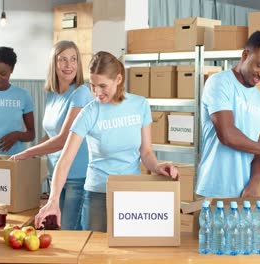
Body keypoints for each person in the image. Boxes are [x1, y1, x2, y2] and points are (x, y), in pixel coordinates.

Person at [34, 51, 179, 231]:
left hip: (130, 193)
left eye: (102, 86)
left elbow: (146, 152)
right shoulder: (89, 112)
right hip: (97, 195)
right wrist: (53, 200)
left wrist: (157, 167)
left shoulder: (140, 105)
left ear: (118, 79)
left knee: (127, 255)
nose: (97, 92)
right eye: (93, 85)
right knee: (95, 255)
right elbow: (65, 160)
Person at [10, 41, 92, 230]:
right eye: (62, 59)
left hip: (77, 176)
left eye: (73, 59)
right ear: (53, 64)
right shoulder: (52, 94)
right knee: (58, 231)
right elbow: (50, 134)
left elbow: (64, 139)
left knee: (69, 233)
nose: (68, 65)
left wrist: (28, 152)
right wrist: (32, 156)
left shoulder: (81, 93)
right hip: (56, 176)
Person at [195, 31, 260, 198]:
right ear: (245, 55)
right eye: (259, 65)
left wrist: (254, 184)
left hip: (244, 193)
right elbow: (227, 134)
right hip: (213, 190)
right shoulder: (220, 83)